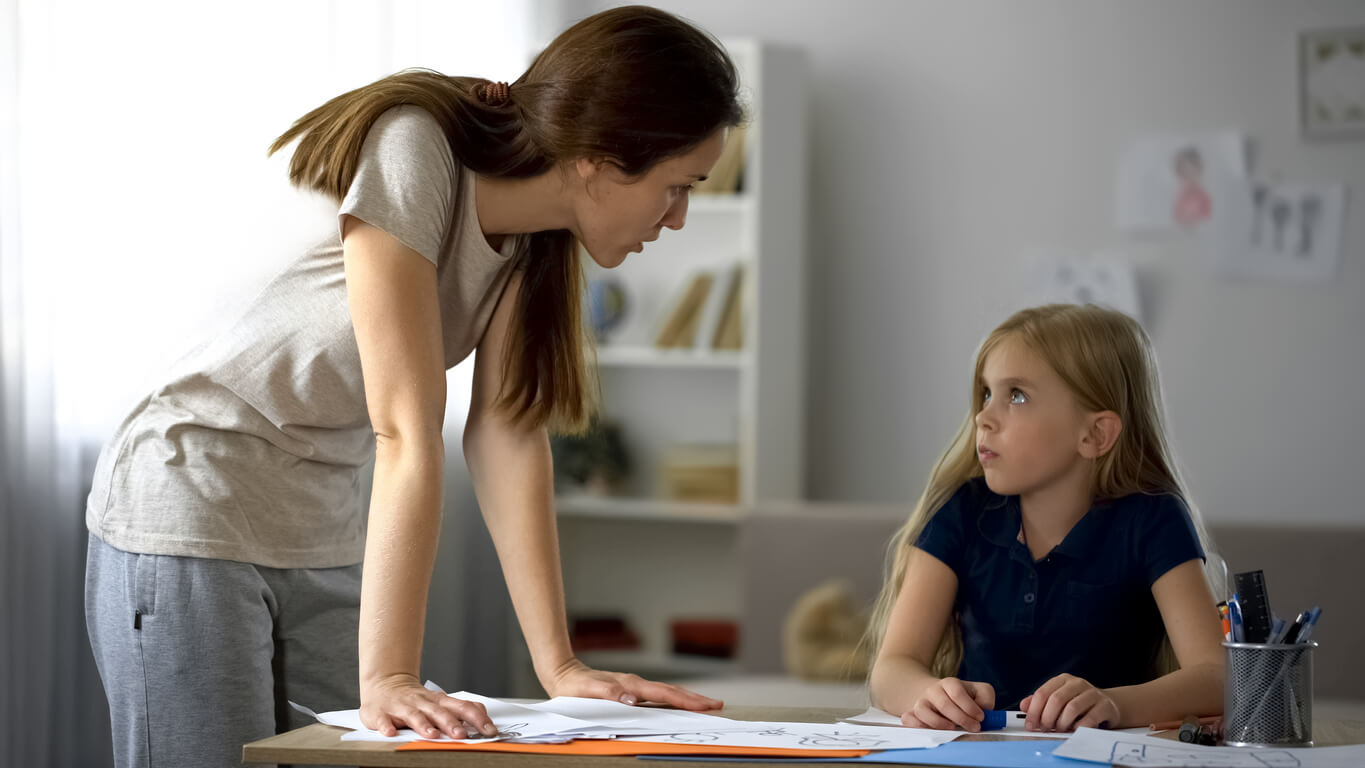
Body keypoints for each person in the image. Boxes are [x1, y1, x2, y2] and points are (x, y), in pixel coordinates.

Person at [83, 6, 740, 766]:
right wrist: (390, 674)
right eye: (676, 186)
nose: (680, 216)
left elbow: (507, 433)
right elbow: (404, 425)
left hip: (318, 526)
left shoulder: (534, 240)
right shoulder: (412, 147)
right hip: (188, 507)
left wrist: (560, 666)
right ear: (597, 157)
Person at [865, 304, 1225, 732]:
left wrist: (1113, 703)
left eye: (1016, 395)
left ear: (1094, 434)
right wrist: (928, 695)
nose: (982, 417)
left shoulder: (1154, 518)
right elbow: (891, 670)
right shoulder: (960, 511)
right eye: (986, 393)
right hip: (975, 754)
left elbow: (1217, 677)